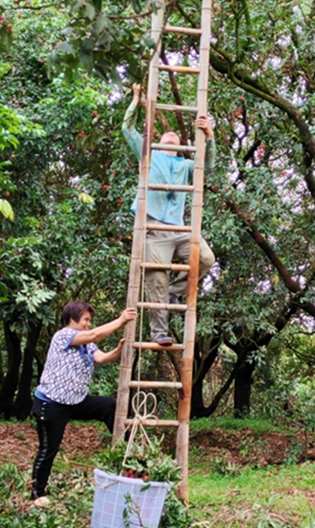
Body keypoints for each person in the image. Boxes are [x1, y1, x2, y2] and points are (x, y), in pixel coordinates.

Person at [122, 83, 216, 346]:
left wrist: (209, 136)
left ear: (181, 146)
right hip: (153, 227)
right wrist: (136, 99)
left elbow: (207, 167)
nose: (172, 135)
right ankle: (160, 332)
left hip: (180, 230)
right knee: (157, 278)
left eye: (176, 135)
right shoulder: (149, 156)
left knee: (206, 258)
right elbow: (127, 130)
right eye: (167, 135)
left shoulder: (186, 165)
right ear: (159, 143)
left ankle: (176, 293)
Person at [30, 301, 137, 507]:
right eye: (86, 320)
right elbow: (95, 335)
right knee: (48, 449)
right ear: (73, 318)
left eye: (90, 321)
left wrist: (118, 350)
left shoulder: (87, 344)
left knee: (109, 406)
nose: (88, 324)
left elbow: (101, 358)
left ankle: (125, 447)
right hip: (51, 403)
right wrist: (121, 320)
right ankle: (37, 494)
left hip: (75, 400)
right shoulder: (63, 335)